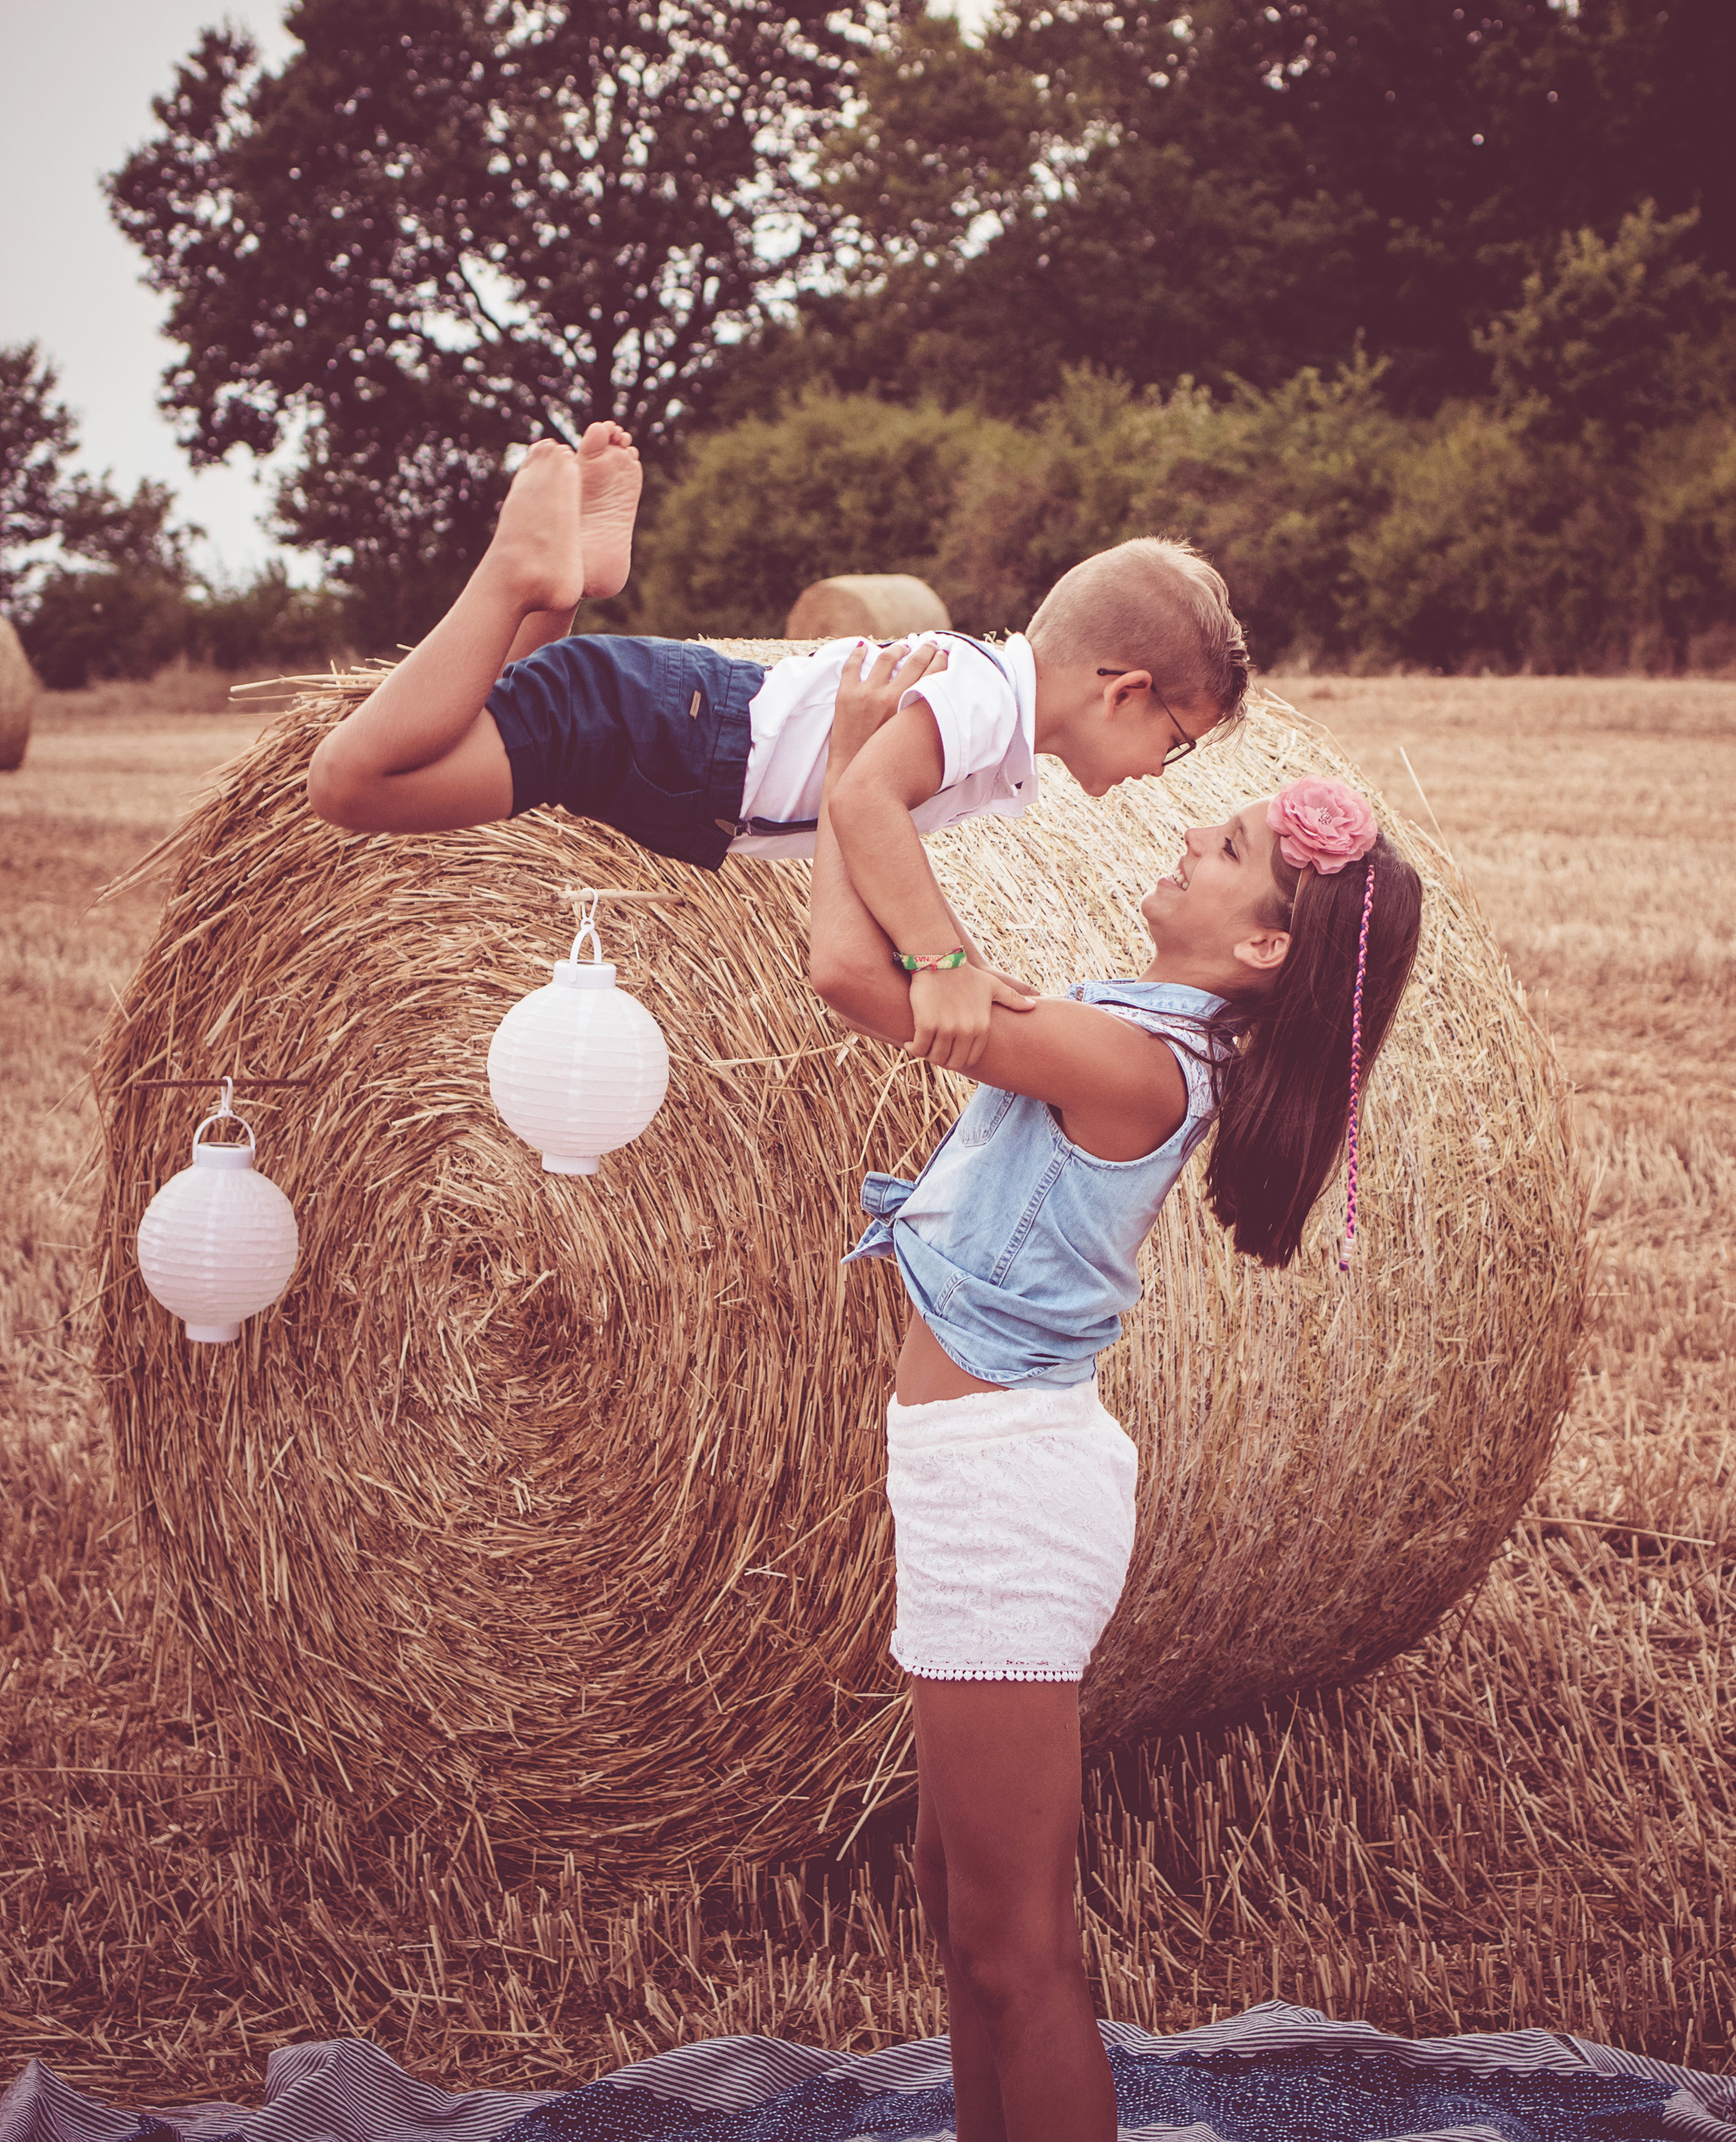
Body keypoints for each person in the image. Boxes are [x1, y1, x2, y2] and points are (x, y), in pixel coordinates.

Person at [808, 645, 1424, 2142]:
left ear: (1267, 948)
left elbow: (843, 975)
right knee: (960, 1904)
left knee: (1018, 1950)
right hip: (978, 1470)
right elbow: (867, 968)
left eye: (1224, 851)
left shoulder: (1132, 1067)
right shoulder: (1124, 1032)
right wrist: (846, 783)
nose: (1186, 839)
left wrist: (856, 772)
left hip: (1007, 1489)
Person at [305, 436, 1249, 1062]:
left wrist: (951, 955)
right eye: (1171, 742)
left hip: (674, 743)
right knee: (352, 784)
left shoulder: (989, 702)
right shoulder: (981, 698)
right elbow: (866, 801)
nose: (1152, 772)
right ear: (1123, 690)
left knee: (474, 723)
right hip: (674, 734)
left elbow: (874, 833)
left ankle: (566, 585)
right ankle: (519, 573)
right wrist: (946, 963)